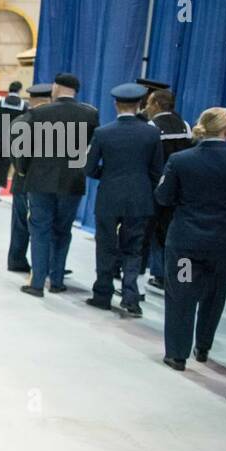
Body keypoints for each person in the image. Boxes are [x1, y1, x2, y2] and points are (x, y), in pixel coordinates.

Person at [154, 107, 226, 370]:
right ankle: (203, 346)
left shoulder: (181, 160)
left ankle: (177, 354)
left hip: (186, 245)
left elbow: (163, 197)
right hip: (222, 247)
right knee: (214, 296)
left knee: (182, 293)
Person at [14, 72, 100, 297]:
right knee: (63, 231)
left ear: (56, 87)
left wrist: (23, 170)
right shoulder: (90, 115)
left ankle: (37, 282)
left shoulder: (39, 113)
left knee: (40, 230)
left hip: (40, 180)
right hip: (72, 182)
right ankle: (57, 280)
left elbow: (25, 149)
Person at [84, 83, 164, 317]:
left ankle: (102, 295)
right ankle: (130, 297)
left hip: (109, 196)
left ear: (115, 104)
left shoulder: (103, 133)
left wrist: (106, 176)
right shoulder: (151, 133)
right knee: (134, 249)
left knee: (106, 247)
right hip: (140, 199)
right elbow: (156, 171)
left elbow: (89, 168)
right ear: (140, 104)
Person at [143, 86, 193, 288]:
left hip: (155, 187)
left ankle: (154, 272)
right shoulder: (185, 126)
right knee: (170, 232)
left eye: (148, 104)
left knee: (150, 232)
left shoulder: (152, 126)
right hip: (180, 190)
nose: (147, 107)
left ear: (156, 104)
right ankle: (175, 276)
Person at [6, 82, 52, 272]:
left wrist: (21, 171)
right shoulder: (51, 124)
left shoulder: (20, 121)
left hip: (21, 179)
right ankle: (41, 264)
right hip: (40, 182)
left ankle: (16, 259)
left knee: (19, 224)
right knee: (40, 226)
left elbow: (14, 153)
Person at [0, 80, 27, 204]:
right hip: (12, 143)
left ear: (9, 89)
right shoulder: (24, 106)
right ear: (19, 90)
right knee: (4, 169)